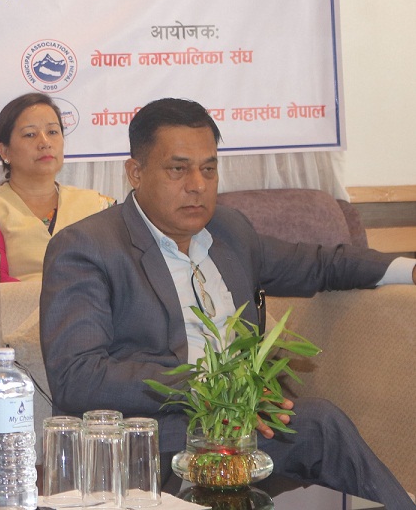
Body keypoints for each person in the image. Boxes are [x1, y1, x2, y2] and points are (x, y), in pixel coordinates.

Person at [39, 97, 416, 507]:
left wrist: (408, 269)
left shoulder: (229, 231)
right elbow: (77, 377)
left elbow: (318, 263)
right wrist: (209, 387)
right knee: (320, 422)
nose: (197, 185)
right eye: (178, 169)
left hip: (243, 431)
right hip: (153, 444)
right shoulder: (88, 247)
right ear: (136, 172)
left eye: (209, 169)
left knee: (318, 426)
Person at [0, 93, 114, 281]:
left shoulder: (99, 206)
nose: (45, 143)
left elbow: (125, 274)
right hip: (20, 302)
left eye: (53, 132)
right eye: (30, 134)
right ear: (5, 151)